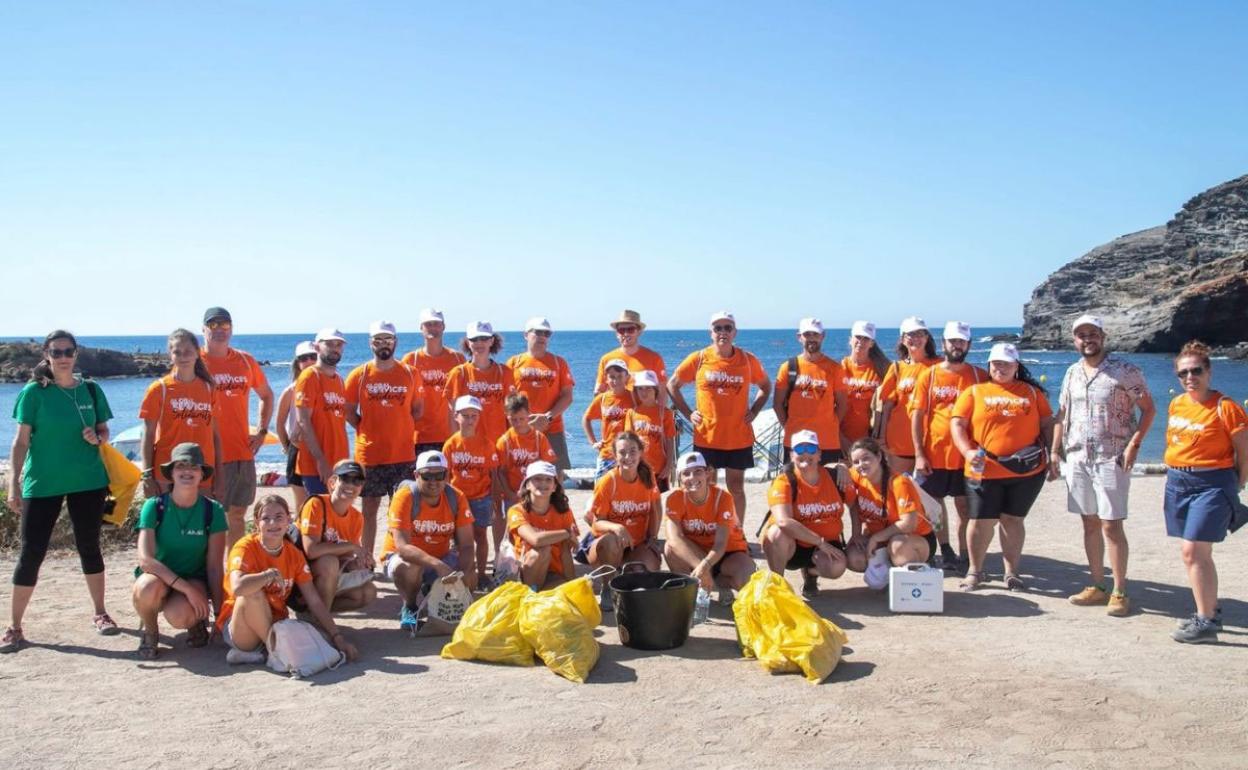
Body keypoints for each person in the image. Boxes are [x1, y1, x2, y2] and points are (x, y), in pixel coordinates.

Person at [4, 330, 118, 653]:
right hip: (42, 484)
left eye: (69, 351)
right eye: (57, 352)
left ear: (76, 354)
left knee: (89, 546)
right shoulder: (33, 393)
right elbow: (21, 442)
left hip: (88, 482)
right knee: (30, 553)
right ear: (47, 355)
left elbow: (104, 430)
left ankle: (100, 613)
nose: (64, 357)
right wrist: (13, 485)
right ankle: (14, 626)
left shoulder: (91, 390)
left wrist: (98, 437)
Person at [1052, 314, 1155, 618]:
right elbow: (1061, 414)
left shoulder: (1125, 370)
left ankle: (1120, 590)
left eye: (1092, 334)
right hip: (1078, 458)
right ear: (1075, 340)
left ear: (1103, 336)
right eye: (1081, 335)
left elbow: (1148, 409)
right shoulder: (1071, 373)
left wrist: (1135, 445)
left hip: (1112, 458)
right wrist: (1055, 453)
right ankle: (1098, 585)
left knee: (1112, 525)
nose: (1087, 339)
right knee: (1089, 522)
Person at [1162, 340, 1248, 643]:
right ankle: (1209, 608)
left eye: (1196, 371)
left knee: (1193, 551)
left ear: (1209, 371)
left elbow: (1243, 451)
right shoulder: (1177, 404)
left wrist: (1237, 484)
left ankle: (1207, 620)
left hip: (1212, 483)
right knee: (1195, 554)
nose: (1189, 378)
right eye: (1183, 373)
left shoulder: (1227, 407)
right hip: (1178, 482)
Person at [951, 343, 1054, 592]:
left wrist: (1054, 454)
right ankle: (975, 571)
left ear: (1016, 366)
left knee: (1013, 520)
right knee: (980, 521)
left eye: (1007, 363)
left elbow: (1048, 424)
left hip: (1026, 471)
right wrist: (967, 451)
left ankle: (1012, 573)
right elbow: (957, 424)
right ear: (989, 365)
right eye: (996, 363)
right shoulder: (974, 392)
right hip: (984, 469)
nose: (1001, 367)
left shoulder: (1031, 393)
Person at [216, 495, 357, 665]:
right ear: (256, 522)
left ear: (288, 520)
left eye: (279, 517)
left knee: (324, 638)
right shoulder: (245, 547)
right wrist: (267, 575)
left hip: (275, 622)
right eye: (265, 518)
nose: (273, 523)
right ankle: (274, 651)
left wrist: (337, 636)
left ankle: (260, 654)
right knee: (252, 593)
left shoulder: (293, 554)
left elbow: (314, 600)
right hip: (242, 628)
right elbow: (238, 587)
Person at [669, 311, 770, 526]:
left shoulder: (747, 359)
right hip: (708, 437)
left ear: (735, 332)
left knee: (736, 488)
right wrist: (688, 413)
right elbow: (672, 385)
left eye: (727, 328)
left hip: (738, 437)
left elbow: (765, 386)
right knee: (709, 487)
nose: (722, 332)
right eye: (718, 328)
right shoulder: (699, 358)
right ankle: (709, 529)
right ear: (711, 333)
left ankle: (737, 531)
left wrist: (755, 410)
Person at [131, 442, 227, 659]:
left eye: (194, 467)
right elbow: (146, 560)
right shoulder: (154, 506)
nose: (187, 471)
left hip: (195, 579)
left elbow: (214, 567)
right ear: (171, 473)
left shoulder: (214, 511)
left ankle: (195, 622)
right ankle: (150, 631)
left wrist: (220, 616)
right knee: (145, 587)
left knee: (179, 616)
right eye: (181, 466)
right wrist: (185, 589)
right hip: (159, 579)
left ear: (202, 474)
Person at [911, 322, 985, 573]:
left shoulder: (978, 376)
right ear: (943, 344)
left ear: (968, 345)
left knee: (965, 507)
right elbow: (917, 417)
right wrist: (919, 454)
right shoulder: (929, 376)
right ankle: (946, 549)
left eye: (961, 341)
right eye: (952, 341)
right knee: (934, 506)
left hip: (968, 457)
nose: (956, 345)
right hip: (935, 454)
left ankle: (966, 553)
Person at [345, 321, 422, 559]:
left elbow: (417, 410)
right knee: (369, 511)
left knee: (400, 511)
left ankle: (397, 556)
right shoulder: (359, 375)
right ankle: (366, 558)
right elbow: (349, 412)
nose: (383, 345)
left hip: (403, 455)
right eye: (378, 340)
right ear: (370, 343)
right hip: (370, 455)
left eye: (387, 340)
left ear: (395, 342)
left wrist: (398, 426)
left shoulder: (410, 373)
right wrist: (368, 428)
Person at [200, 307, 274, 549]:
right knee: (207, 518)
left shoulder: (244, 360)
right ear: (203, 330)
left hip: (241, 452)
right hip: (208, 455)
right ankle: (209, 575)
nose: (220, 330)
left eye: (225, 325)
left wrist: (262, 432)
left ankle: (235, 571)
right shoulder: (196, 362)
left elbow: (266, 395)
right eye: (213, 325)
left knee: (237, 515)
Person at [382, 451, 477, 629]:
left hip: (441, 557)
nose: (433, 481)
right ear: (417, 475)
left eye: (439, 475)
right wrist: (439, 566)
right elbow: (403, 547)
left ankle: (437, 594)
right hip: (402, 559)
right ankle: (409, 607)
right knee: (411, 566)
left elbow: (466, 545)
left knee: (471, 574)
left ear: (447, 475)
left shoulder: (456, 497)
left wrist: (461, 576)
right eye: (426, 476)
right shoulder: (405, 496)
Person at [761, 430, 855, 598]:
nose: (806, 454)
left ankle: (811, 573)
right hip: (793, 545)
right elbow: (784, 522)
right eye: (800, 449)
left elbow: (854, 505)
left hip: (825, 543)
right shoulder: (785, 481)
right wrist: (819, 542)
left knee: (837, 567)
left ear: (819, 454)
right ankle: (778, 587)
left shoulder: (835, 477)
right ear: (791, 455)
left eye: (811, 449)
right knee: (777, 534)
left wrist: (856, 535)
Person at [584, 432, 663, 608]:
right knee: (612, 540)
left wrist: (653, 536)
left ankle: (623, 573)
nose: (628, 457)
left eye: (633, 451)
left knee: (648, 573)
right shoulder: (608, 482)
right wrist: (617, 527)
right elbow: (596, 522)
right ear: (614, 455)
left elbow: (655, 508)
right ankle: (607, 586)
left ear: (641, 452)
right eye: (622, 452)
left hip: (635, 544)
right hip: (605, 546)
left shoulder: (647, 474)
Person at [139, 328, 221, 498]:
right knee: (168, 523)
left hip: (202, 471)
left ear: (197, 354)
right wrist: (147, 475)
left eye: (188, 352)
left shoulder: (208, 388)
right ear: (171, 355)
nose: (183, 357)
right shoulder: (158, 389)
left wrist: (220, 474)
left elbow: (215, 436)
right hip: (167, 473)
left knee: (200, 522)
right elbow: (147, 435)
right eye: (177, 352)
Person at [663, 451, 755, 602]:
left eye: (698, 471)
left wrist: (704, 566)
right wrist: (701, 567)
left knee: (747, 576)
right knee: (670, 549)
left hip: (727, 552)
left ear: (707, 473)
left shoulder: (723, 498)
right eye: (686, 473)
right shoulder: (675, 499)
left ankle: (718, 584)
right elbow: (674, 539)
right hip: (696, 552)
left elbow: (721, 543)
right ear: (679, 478)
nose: (692, 478)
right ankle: (690, 593)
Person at [297, 460, 378, 615]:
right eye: (346, 478)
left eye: (357, 480)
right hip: (300, 578)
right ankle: (321, 623)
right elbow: (311, 551)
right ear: (333, 482)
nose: (351, 485)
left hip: (324, 577)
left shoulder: (356, 517)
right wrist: (352, 547)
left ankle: (313, 613)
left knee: (367, 592)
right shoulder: (316, 504)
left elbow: (344, 560)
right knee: (329, 562)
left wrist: (358, 563)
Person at [842, 438, 935, 571]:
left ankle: (907, 576)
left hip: (914, 538)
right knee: (853, 557)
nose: (861, 464)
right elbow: (852, 502)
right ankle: (886, 575)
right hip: (881, 538)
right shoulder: (859, 476)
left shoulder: (898, 482)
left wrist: (876, 538)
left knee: (898, 546)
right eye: (856, 462)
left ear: (879, 456)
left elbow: (909, 523)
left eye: (866, 458)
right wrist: (840, 467)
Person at [442, 395, 503, 588]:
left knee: (480, 536)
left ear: (479, 417)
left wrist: (496, 501)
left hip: (481, 498)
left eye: (474, 416)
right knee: (457, 540)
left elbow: (494, 476)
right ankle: (461, 573)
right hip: (457, 499)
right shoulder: (450, 445)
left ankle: (482, 574)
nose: (469, 420)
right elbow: (445, 476)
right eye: (465, 415)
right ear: (456, 416)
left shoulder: (486, 444)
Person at [773, 317, 848, 465]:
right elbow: (777, 404)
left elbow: (842, 405)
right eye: (807, 334)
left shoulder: (835, 369)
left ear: (823, 336)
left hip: (827, 442)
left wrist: (829, 424)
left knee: (828, 485)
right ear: (799, 337)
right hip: (795, 441)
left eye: (815, 334)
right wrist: (789, 426)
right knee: (795, 486)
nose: (812, 338)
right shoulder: (788, 367)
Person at [506, 316, 575, 472]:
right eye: (538, 332)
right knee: (518, 474)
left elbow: (567, 396)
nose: (542, 337)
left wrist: (547, 417)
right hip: (521, 429)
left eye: (546, 333)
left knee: (556, 477)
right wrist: (521, 421)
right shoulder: (513, 363)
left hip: (552, 429)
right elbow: (507, 399)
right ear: (526, 335)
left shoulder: (559, 363)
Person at [877, 316, 940, 473]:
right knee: (899, 488)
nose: (915, 339)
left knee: (931, 495)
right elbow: (887, 406)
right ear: (903, 339)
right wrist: (882, 436)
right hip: (900, 440)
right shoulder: (897, 368)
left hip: (932, 441)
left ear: (927, 337)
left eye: (920, 334)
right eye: (910, 335)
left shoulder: (940, 366)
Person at [402, 309, 466, 456]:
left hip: (451, 436)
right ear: (421, 328)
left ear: (443, 326)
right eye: (428, 324)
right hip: (419, 438)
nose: (433, 328)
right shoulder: (411, 360)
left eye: (436, 324)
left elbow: (464, 398)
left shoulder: (457, 359)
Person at [294, 328, 349, 496]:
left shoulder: (339, 379)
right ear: (317, 347)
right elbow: (303, 421)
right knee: (319, 516)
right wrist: (321, 460)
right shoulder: (310, 376)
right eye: (329, 344)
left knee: (338, 516)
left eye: (338, 344)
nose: (335, 348)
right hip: (316, 465)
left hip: (339, 463)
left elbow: (339, 422)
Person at [507, 461, 579, 590]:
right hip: (525, 573)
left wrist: (572, 582)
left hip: (554, 572)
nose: (543, 484)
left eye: (548, 480)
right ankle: (530, 594)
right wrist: (567, 533)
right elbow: (536, 539)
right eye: (537, 479)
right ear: (527, 484)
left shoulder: (563, 511)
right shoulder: (517, 511)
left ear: (554, 486)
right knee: (542, 550)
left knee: (569, 595)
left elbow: (567, 549)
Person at [445, 321, 513, 445]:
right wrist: (458, 445)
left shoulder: (505, 372)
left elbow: (511, 412)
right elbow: (452, 416)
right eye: (474, 339)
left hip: (499, 443)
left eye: (484, 338)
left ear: (491, 341)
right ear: (468, 342)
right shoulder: (459, 373)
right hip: (470, 445)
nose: (479, 343)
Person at [276, 341, 318, 512]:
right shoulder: (290, 391)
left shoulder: (330, 386)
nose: (308, 361)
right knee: (302, 506)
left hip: (323, 448)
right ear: (297, 363)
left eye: (313, 357)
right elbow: (279, 424)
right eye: (303, 358)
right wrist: (288, 447)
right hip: (298, 449)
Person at [497, 393, 557, 511]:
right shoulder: (504, 441)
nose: (518, 423)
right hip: (514, 496)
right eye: (514, 420)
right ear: (507, 416)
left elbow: (549, 469)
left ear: (529, 414)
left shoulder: (539, 438)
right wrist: (510, 494)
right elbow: (501, 472)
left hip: (536, 494)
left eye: (522, 419)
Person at [623, 371, 676, 492]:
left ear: (655, 390)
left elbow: (669, 440)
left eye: (648, 388)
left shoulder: (665, 413)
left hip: (659, 468)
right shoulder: (632, 413)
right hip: (638, 467)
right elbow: (628, 442)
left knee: (657, 504)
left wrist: (668, 466)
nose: (644, 392)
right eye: (640, 388)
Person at [583, 358, 634, 479]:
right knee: (601, 490)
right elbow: (586, 418)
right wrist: (593, 442)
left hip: (628, 455)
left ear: (627, 377)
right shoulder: (602, 399)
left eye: (619, 376)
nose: (615, 380)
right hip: (607, 454)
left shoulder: (633, 398)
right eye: (612, 377)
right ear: (606, 379)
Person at [840, 320, 890, 445]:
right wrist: (841, 440)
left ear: (872, 343)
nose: (861, 342)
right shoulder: (840, 368)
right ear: (850, 339)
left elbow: (888, 406)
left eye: (866, 339)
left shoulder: (882, 369)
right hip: (842, 438)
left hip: (871, 440)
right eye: (858, 337)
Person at [594, 309, 667, 393]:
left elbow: (662, 391)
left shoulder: (654, 358)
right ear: (617, 334)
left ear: (639, 332)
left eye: (630, 329)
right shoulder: (606, 359)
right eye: (621, 330)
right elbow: (599, 391)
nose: (625, 334)